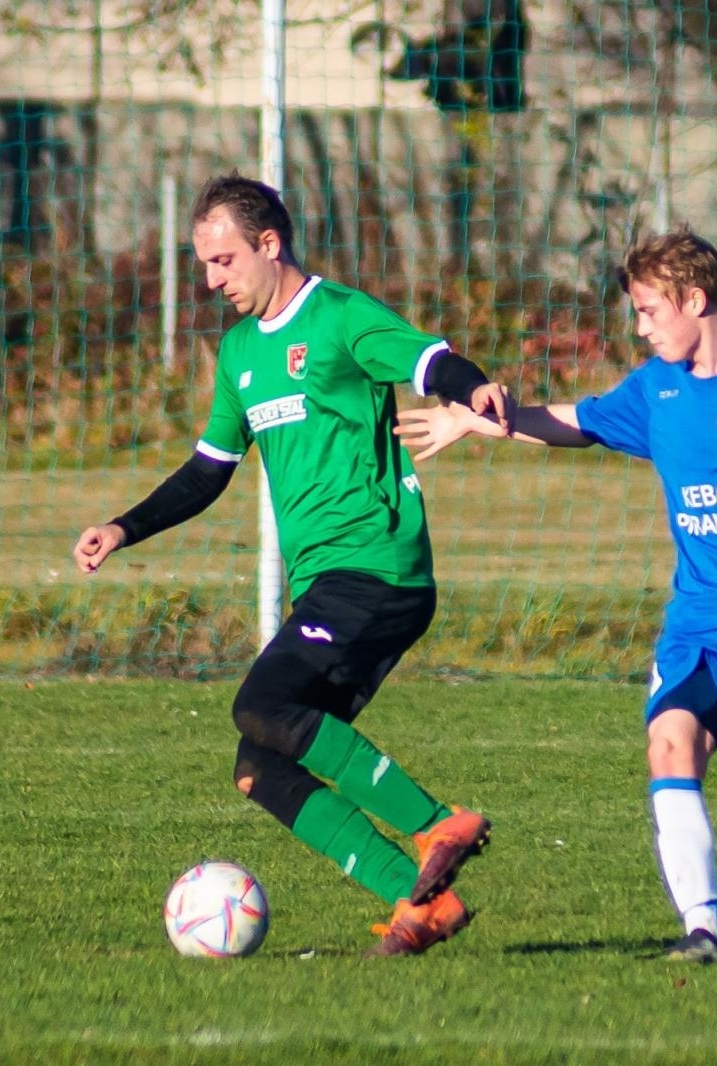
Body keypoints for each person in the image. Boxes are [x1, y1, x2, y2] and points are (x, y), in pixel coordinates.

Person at [398, 226, 717, 962]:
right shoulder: (658, 389)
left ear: (695, 301)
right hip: (701, 609)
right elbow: (577, 421)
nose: (638, 327)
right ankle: (706, 930)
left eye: (647, 311)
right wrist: (476, 421)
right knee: (669, 745)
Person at [72, 172, 509, 955]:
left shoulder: (340, 318)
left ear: (269, 244)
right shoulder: (239, 353)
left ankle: (437, 823)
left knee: (261, 704)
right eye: (203, 263)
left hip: (377, 569)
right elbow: (209, 470)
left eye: (224, 261)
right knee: (258, 766)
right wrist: (124, 526)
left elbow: (429, 361)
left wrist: (473, 390)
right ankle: (423, 910)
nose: (211, 281)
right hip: (331, 586)